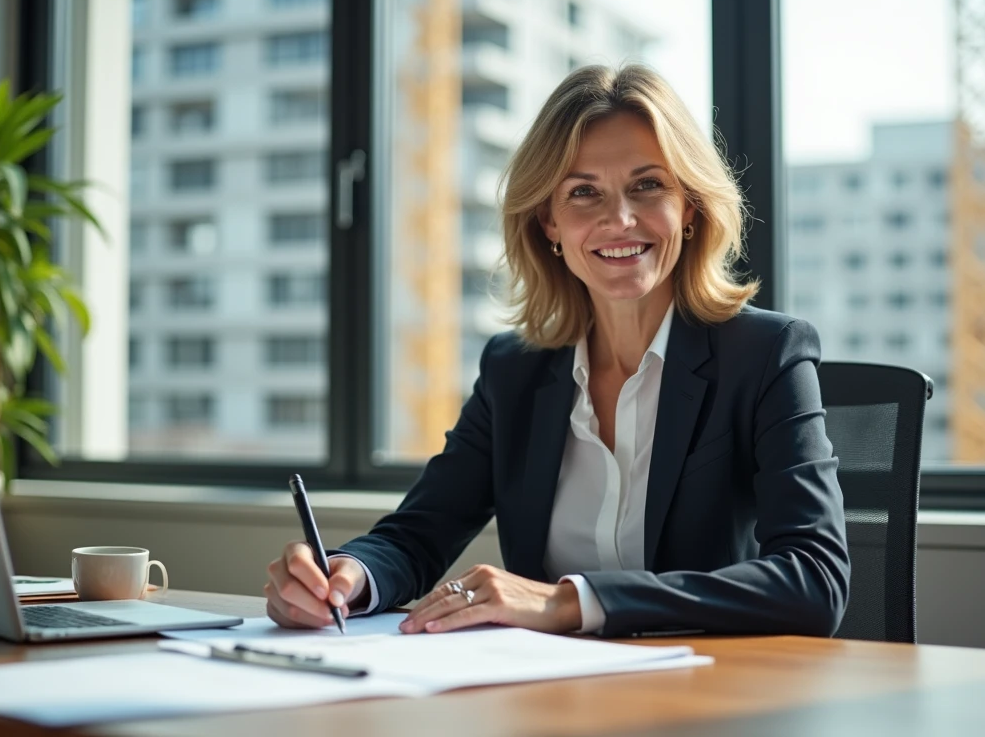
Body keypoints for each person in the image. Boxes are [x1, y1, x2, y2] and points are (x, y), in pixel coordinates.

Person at [264, 64, 849, 638]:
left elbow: (815, 579)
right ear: (548, 221)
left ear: (689, 206)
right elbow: (418, 533)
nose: (619, 220)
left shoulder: (767, 353)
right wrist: (347, 578)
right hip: (548, 697)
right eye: (583, 192)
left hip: (706, 699)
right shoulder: (514, 370)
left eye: (648, 185)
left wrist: (571, 602)